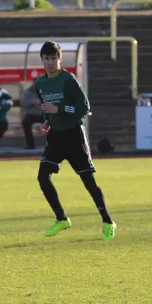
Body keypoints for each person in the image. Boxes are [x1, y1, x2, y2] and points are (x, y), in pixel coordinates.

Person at [35, 41, 116, 240]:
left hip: (74, 135)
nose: (50, 62)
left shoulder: (68, 79)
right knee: (42, 176)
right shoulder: (40, 83)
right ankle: (61, 218)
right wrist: (47, 121)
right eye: (47, 58)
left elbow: (84, 107)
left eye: (54, 58)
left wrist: (59, 109)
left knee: (88, 181)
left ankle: (107, 221)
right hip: (55, 136)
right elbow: (46, 107)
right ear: (42, 60)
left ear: (60, 59)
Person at [20, 82, 45, 149]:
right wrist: (32, 102)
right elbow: (23, 104)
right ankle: (30, 144)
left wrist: (41, 102)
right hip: (31, 114)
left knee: (54, 123)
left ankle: (53, 144)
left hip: (44, 114)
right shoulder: (28, 92)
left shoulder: (46, 90)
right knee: (25, 123)